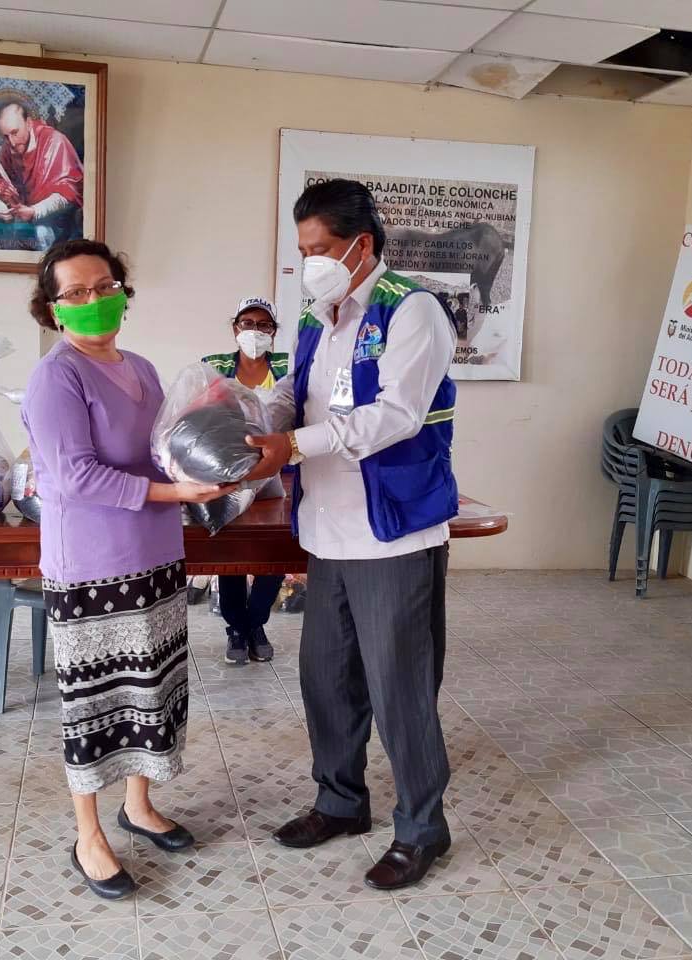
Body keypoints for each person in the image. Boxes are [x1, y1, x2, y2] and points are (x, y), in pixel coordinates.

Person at [245, 179, 459, 890]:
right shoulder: (319, 315)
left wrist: (295, 445)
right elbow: (298, 392)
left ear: (361, 245)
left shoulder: (412, 310)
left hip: (390, 532)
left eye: (321, 249)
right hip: (327, 531)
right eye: (302, 250)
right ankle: (340, 803)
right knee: (327, 682)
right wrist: (256, 416)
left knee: (400, 690)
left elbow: (397, 414)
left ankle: (422, 828)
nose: (310, 263)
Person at [21, 238, 231, 900]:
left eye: (105, 286)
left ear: (123, 291)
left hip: (156, 554)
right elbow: (75, 476)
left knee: (153, 687)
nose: (94, 300)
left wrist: (214, 436)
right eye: (76, 292)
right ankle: (88, 835)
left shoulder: (140, 366)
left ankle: (138, 805)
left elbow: (162, 449)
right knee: (96, 702)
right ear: (53, 309)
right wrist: (174, 492)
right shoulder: (56, 377)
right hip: (91, 566)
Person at [201, 297, 290, 665]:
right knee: (233, 552)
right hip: (233, 473)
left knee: (275, 552)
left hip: (282, 472)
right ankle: (238, 627)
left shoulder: (288, 367)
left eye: (264, 324)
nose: (255, 330)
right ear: (235, 328)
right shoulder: (213, 367)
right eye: (247, 323)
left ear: (274, 331)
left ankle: (256, 622)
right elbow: (202, 415)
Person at [0, 101, 84, 248]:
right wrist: (2, 192)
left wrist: (34, 211)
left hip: (56, 221)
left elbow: (70, 191)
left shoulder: (54, 141)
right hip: (20, 217)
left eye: (14, 132)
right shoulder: (8, 146)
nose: (11, 142)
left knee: (41, 232)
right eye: (5, 136)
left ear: (29, 123)